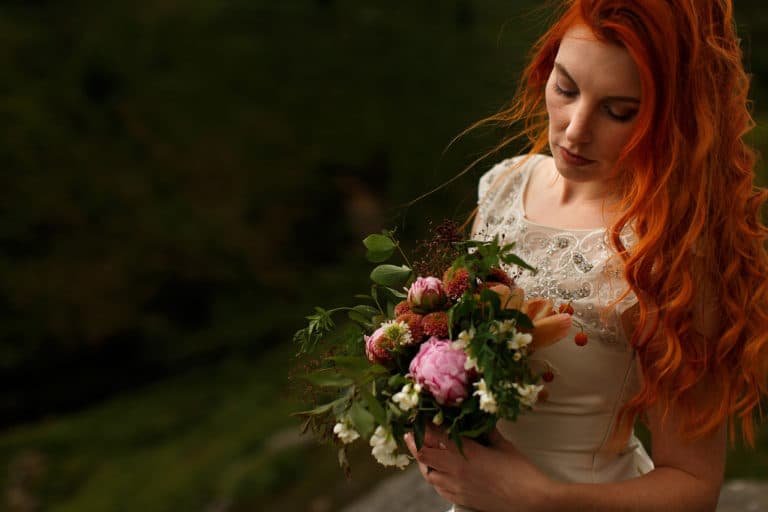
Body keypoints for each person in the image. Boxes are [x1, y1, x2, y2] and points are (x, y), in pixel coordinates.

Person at [404, 1, 768, 511]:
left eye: (619, 111)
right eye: (566, 88)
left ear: (670, 117)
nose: (575, 130)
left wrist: (539, 499)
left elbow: (694, 485)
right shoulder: (505, 185)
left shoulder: (671, 250)